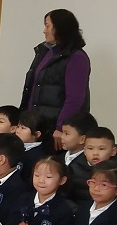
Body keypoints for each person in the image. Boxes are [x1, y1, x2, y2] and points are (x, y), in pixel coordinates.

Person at [20, 9, 92, 148]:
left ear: (60, 28)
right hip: (36, 126)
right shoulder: (44, 52)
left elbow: (74, 99)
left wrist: (61, 127)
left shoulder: (77, 57)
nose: (44, 30)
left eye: (47, 26)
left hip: (55, 130)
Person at [56, 111, 97, 202]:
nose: (62, 137)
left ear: (82, 139)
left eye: (66, 133)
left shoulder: (88, 164)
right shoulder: (59, 158)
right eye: (62, 132)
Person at [12, 109, 54, 186]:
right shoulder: (14, 146)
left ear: (37, 134)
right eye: (18, 126)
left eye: (23, 128)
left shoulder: (39, 156)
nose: (18, 131)